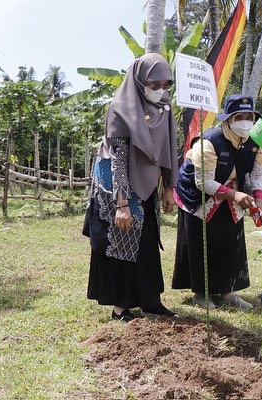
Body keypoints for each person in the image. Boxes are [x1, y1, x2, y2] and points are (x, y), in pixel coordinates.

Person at [83, 54, 179, 322]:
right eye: (154, 84)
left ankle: (150, 301)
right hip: (116, 181)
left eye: (165, 84)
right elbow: (119, 160)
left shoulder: (164, 109)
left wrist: (169, 188)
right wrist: (122, 204)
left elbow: (169, 150)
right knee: (121, 239)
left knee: (147, 238)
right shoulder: (121, 108)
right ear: (139, 81)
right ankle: (120, 307)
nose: (160, 90)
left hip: (146, 180)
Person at [172, 94, 262, 310]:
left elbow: (259, 173)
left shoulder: (257, 142)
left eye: (249, 116)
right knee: (202, 241)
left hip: (233, 190)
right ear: (228, 119)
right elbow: (202, 181)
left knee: (230, 240)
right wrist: (234, 195)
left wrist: (259, 200)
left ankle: (228, 292)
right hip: (197, 195)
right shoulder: (208, 141)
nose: (245, 121)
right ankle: (201, 293)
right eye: (239, 116)